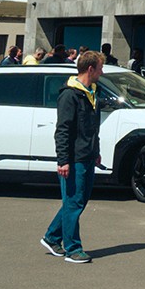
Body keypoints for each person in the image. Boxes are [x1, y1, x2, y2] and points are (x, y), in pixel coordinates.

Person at [40, 50, 105, 264]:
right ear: (90, 69)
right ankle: (72, 249)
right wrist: (63, 161)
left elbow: (91, 128)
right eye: (100, 68)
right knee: (74, 202)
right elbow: (63, 130)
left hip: (87, 155)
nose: (101, 72)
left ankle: (52, 236)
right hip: (74, 159)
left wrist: (96, 151)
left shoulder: (91, 91)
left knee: (77, 201)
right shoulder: (70, 95)